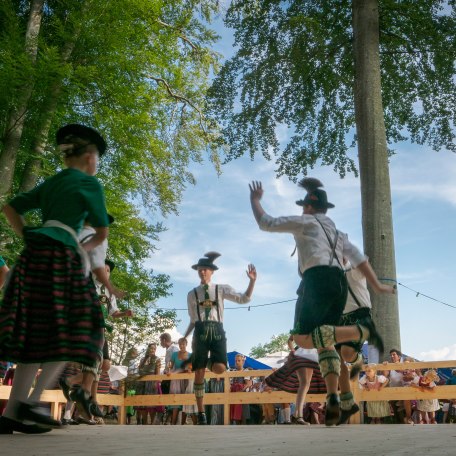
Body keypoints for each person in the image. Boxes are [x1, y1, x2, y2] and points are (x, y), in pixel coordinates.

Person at [249, 178, 388, 425]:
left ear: (308, 207)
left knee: (302, 338)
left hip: (316, 280)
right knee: (326, 344)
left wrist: (255, 201)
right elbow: (360, 259)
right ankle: (340, 400)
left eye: (304, 205)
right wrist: (377, 284)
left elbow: (266, 223)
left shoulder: (304, 222)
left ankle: (360, 330)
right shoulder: (338, 233)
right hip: (337, 284)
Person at [0, 123, 109, 434]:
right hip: (62, 259)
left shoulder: (52, 183)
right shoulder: (90, 184)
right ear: (90, 158)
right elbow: (100, 233)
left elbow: (10, 207)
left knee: (34, 333)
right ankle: (31, 403)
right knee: (79, 331)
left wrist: (28, 234)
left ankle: (12, 413)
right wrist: (80, 247)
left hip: (33, 256)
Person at [183, 251, 257, 425]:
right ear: (197, 271)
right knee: (199, 373)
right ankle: (201, 412)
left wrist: (252, 281)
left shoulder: (221, 289)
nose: (203, 272)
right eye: (200, 269)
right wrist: (185, 337)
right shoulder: (191, 294)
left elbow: (244, 299)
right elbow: (193, 320)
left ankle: (203, 360)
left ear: (212, 271)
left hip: (217, 331)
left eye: (206, 269)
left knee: (220, 368)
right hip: (200, 331)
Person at [336, 260, 395, 425]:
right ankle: (347, 404)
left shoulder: (353, 269)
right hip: (340, 319)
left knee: (347, 355)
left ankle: (358, 358)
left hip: (359, 315)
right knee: (335, 359)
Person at [264, 336, 326, 425]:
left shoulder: (314, 328)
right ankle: (299, 416)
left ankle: (297, 414)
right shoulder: (303, 325)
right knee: (304, 383)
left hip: (312, 355)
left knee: (306, 384)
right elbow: (290, 339)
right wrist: (293, 350)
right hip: (301, 355)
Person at [136, 343, 163, 425]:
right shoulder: (142, 359)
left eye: (154, 349)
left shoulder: (157, 359)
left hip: (152, 383)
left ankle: (152, 423)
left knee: (151, 405)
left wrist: (156, 382)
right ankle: (144, 422)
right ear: (147, 349)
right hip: (142, 383)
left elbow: (157, 373)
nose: (152, 350)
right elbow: (139, 371)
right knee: (142, 405)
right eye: (151, 348)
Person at [168, 337, 191, 425]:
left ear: (186, 344)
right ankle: (173, 423)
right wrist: (169, 370)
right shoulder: (174, 354)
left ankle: (183, 423)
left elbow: (190, 367)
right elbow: (170, 365)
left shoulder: (190, 355)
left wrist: (188, 368)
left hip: (185, 378)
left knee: (185, 400)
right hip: (176, 378)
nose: (182, 346)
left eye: (183, 344)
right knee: (175, 399)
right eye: (180, 344)